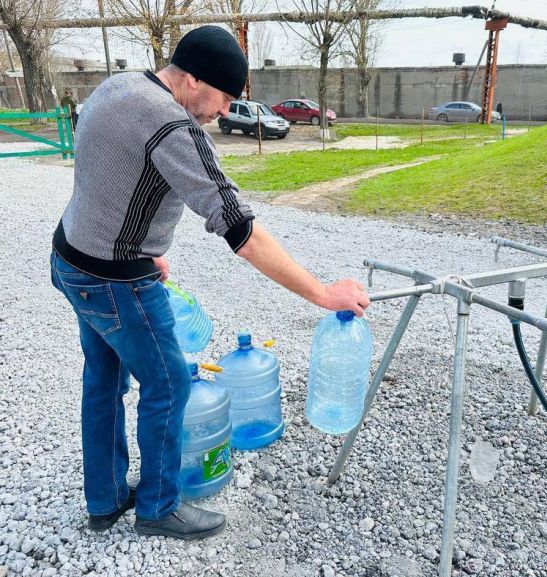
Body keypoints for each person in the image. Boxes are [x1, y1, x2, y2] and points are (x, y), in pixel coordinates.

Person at [49, 25, 369, 541]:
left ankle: (104, 498)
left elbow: (106, 168)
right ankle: (158, 508)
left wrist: (140, 246)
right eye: (223, 98)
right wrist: (322, 292)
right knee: (170, 383)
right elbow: (241, 231)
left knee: (104, 376)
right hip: (112, 280)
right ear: (193, 80)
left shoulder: (118, 86)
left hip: (70, 259)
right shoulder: (174, 127)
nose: (225, 112)